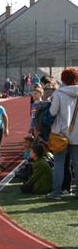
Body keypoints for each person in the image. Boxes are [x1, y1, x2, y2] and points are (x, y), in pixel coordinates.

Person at [47, 67, 78, 200]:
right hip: (77, 134)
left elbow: (53, 112)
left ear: (63, 79)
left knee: (59, 163)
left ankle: (57, 191)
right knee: (77, 164)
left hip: (60, 134)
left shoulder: (59, 94)